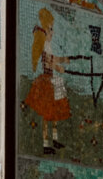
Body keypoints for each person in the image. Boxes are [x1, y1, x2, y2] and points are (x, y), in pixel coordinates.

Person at [23, 8, 71, 154]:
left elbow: (53, 59)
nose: (52, 32)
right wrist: (59, 66)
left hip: (53, 80)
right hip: (46, 81)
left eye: (52, 29)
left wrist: (63, 60)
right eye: (50, 29)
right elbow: (49, 62)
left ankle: (55, 139)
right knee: (47, 113)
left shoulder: (48, 46)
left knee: (55, 111)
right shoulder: (43, 44)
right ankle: (45, 143)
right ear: (45, 29)